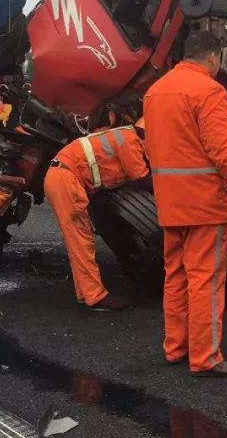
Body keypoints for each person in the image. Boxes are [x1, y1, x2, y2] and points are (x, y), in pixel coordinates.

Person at [142, 29, 227, 378]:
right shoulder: (210, 91)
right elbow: (224, 151)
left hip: (169, 200)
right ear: (214, 58)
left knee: (176, 274)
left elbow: (150, 148)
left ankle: (176, 347)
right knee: (205, 279)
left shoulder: (155, 92)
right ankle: (206, 357)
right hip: (203, 203)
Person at [44, 118, 148, 311]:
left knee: (78, 240)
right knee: (81, 241)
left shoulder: (121, 134)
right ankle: (95, 296)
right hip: (67, 179)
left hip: (61, 176)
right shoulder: (129, 140)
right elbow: (140, 176)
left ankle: (85, 292)